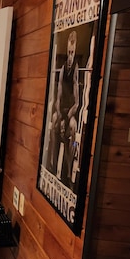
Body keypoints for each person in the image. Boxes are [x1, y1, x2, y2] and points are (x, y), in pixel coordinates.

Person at [51, 30, 80, 187]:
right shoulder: (63, 69)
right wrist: (59, 112)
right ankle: (53, 164)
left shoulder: (75, 68)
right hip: (62, 109)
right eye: (68, 52)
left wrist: (69, 115)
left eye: (72, 52)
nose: (70, 55)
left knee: (72, 131)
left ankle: (69, 171)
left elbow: (77, 100)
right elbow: (58, 94)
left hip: (71, 111)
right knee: (55, 123)